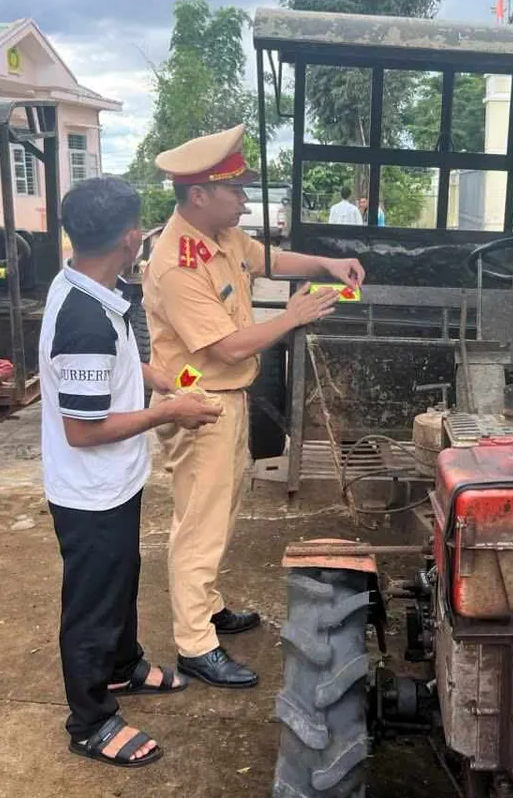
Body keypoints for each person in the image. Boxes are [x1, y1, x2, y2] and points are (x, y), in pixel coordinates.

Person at [143, 124, 365, 688]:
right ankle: (195, 642)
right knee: (200, 522)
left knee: (218, 509)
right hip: (200, 397)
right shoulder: (177, 262)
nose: (245, 199)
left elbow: (269, 259)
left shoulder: (220, 236)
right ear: (199, 195)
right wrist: (292, 317)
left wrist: (327, 264)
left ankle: (207, 604)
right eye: (235, 190)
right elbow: (225, 346)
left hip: (221, 390)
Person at [40, 176, 223, 767]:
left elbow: (115, 366)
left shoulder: (93, 290)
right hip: (88, 490)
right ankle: (90, 720)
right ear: (129, 237)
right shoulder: (85, 320)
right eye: (140, 228)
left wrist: (158, 379)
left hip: (114, 482)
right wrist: (170, 410)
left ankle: (121, 668)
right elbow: (82, 429)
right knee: (93, 602)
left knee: (122, 578)